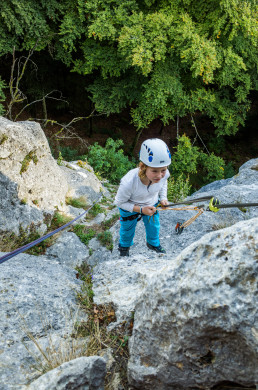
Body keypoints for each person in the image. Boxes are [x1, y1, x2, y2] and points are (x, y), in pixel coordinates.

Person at [114, 138, 171, 256]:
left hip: (151, 203)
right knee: (127, 230)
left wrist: (163, 198)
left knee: (154, 226)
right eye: (154, 171)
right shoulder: (129, 182)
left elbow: (163, 182)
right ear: (143, 167)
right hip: (129, 207)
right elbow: (119, 202)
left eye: (163, 170)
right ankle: (124, 248)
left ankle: (153, 243)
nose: (160, 175)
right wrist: (140, 210)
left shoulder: (164, 175)